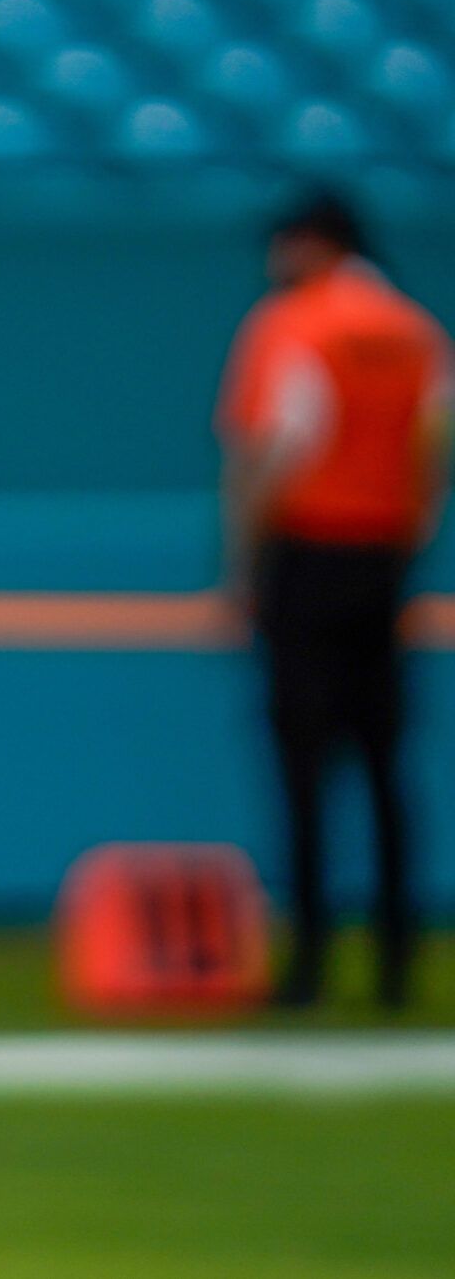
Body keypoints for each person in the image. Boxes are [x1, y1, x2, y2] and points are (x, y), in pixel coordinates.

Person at [216, 192, 451, 1009]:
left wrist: (243, 564)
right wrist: (407, 534)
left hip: (308, 556)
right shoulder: (415, 330)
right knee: (387, 764)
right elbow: (434, 442)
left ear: (312, 244)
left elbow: (274, 446)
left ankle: (310, 964)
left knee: (303, 765)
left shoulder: (295, 325)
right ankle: (396, 963)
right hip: (384, 558)